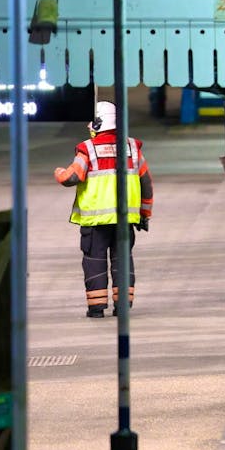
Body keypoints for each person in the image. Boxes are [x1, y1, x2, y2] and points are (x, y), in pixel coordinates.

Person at [54, 101, 153, 317]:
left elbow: (72, 177)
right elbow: (146, 183)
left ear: (98, 123)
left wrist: (59, 172)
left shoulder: (87, 149)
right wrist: (144, 214)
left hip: (96, 223)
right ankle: (123, 307)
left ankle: (97, 308)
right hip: (125, 220)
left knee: (94, 262)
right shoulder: (132, 149)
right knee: (122, 261)